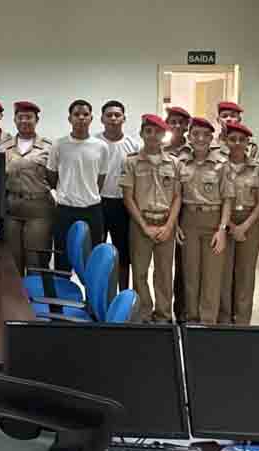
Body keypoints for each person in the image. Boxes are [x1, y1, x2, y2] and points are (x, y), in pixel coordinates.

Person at [120, 114, 181, 323]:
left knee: (164, 273)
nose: (152, 135)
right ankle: (143, 313)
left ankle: (163, 315)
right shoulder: (131, 162)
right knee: (139, 272)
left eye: (157, 132)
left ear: (164, 135)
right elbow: (128, 198)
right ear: (141, 133)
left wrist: (169, 226)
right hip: (140, 224)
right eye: (148, 131)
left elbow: (177, 197)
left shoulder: (174, 163)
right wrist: (144, 226)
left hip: (166, 223)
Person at [177, 117, 233, 324]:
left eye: (205, 135)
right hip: (188, 221)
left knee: (212, 275)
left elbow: (228, 199)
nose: (200, 138)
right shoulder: (180, 163)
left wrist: (222, 229)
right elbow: (174, 197)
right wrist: (175, 224)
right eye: (195, 134)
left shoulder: (222, 164)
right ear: (189, 137)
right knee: (191, 274)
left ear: (212, 138)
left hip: (213, 221)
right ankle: (192, 318)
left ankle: (208, 321)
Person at [46, 99, 109, 271]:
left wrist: (87, 192)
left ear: (91, 118)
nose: (81, 118)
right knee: (62, 258)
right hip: (65, 209)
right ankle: (62, 294)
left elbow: (100, 179)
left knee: (93, 260)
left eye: (85, 114)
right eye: (76, 114)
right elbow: (52, 176)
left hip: (92, 210)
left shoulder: (101, 146)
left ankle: (91, 297)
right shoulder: (58, 145)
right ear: (69, 118)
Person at [218, 122, 259, 325]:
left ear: (248, 142)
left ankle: (242, 320)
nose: (237, 143)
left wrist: (244, 227)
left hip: (249, 222)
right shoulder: (219, 166)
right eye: (233, 139)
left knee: (246, 274)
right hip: (224, 221)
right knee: (224, 272)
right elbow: (217, 199)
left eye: (242, 140)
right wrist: (230, 225)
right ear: (225, 141)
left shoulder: (257, 168)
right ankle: (224, 317)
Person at [0, 101, 55, 275]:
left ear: (36, 120)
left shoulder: (48, 147)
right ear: (14, 120)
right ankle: (15, 301)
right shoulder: (3, 147)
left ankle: (36, 301)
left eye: (29, 117)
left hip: (38, 210)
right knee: (12, 262)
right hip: (11, 208)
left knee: (36, 261)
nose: (24, 121)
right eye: (20, 117)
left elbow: (54, 178)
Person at [96, 100, 140, 291]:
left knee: (123, 254)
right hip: (98, 203)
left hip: (124, 204)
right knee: (97, 253)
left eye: (117, 115)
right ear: (102, 119)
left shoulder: (134, 145)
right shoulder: (94, 143)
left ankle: (122, 295)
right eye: (109, 115)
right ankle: (96, 296)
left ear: (124, 118)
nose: (113, 119)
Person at [165, 106, 192, 322]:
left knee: (184, 265)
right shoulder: (160, 149)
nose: (176, 126)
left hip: (188, 213)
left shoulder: (193, 151)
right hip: (163, 212)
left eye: (181, 122)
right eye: (172, 121)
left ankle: (182, 310)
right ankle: (161, 309)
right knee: (163, 265)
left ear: (186, 126)